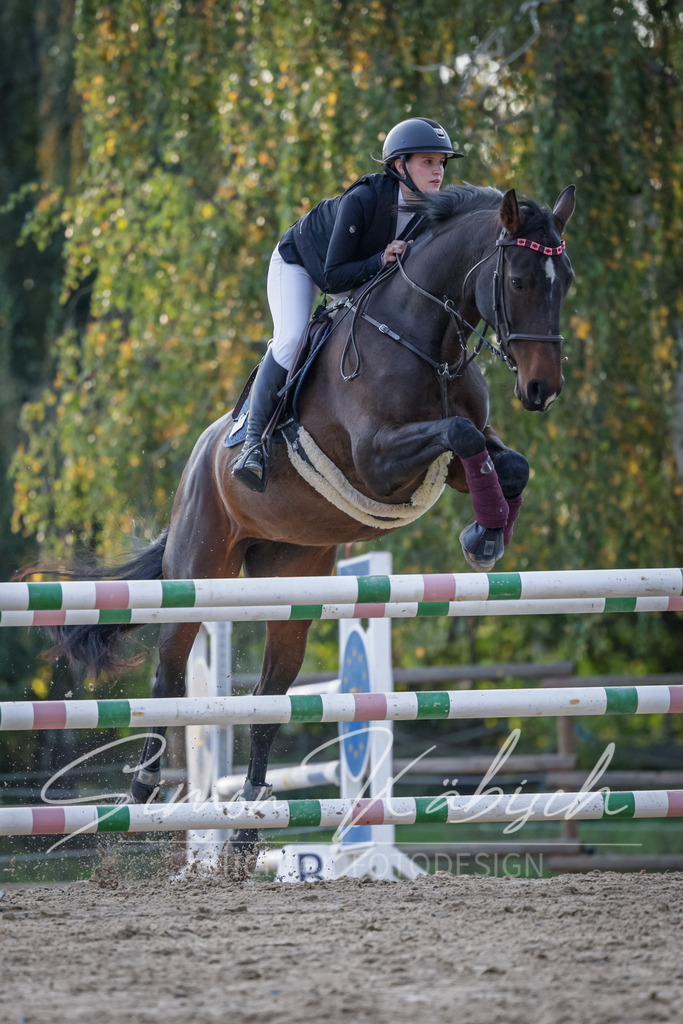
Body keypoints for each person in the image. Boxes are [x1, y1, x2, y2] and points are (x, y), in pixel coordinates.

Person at [231, 116, 462, 492]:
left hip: (358, 274)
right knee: (291, 338)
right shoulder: (364, 199)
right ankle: (253, 445)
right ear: (399, 166)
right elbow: (335, 276)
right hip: (304, 264)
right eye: (427, 162)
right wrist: (379, 260)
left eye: (441, 163)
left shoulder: (430, 215)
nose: (438, 172)